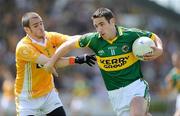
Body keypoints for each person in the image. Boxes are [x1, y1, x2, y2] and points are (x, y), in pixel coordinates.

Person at [45, 8, 163, 116]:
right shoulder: (94, 40)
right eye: (96, 26)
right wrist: (51, 62)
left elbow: (153, 36)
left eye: (102, 24)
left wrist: (160, 50)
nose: (99, 29)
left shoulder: (130, 35)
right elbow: (67, 45)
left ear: (112, 21)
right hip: (115, 94)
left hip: (135, 86)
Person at [15, 12, 96, 116]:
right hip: (27, 99)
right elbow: (52, 63)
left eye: (41, 23)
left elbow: (71, 39)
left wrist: (93, 38)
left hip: (48, 94)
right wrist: (77, 59)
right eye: (36, 26)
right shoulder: (23, 47)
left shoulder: (50, 37)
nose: (40, 27)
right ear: (27, 29)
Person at [162, 51, 180, 116]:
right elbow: (169, 88)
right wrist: (169, 83)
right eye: (173, 60)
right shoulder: (173, 73)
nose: (174, 62)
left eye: (177, 60)